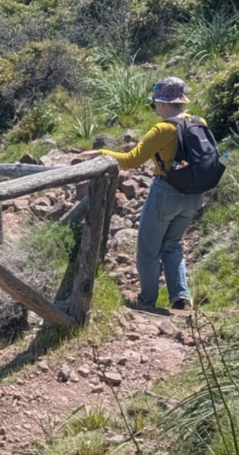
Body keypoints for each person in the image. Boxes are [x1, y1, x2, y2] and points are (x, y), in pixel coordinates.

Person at [78, 76, 210, 312]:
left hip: (166, 192)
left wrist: (101, 153)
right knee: (172, 244)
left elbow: (131, 160)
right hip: (194, 195)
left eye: (155, 104)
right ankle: (180, 296)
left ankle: (147, 301)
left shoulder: (163, 129)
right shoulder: (200, 122)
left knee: (148, 249)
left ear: (162, 103)